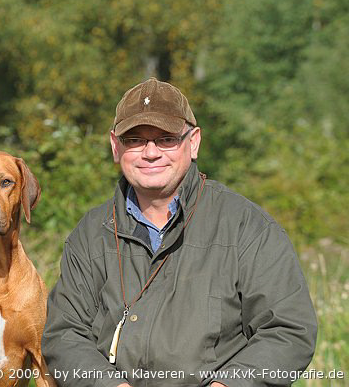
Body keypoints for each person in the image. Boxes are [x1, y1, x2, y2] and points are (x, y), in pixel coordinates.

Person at [41, 78, 317, 387]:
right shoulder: (91, 233)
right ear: (115, 146)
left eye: (166, 139)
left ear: (194, 142)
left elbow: (288, 330)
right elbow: (64, 333)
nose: (150, 152)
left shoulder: (247, 227)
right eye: (134, 140)